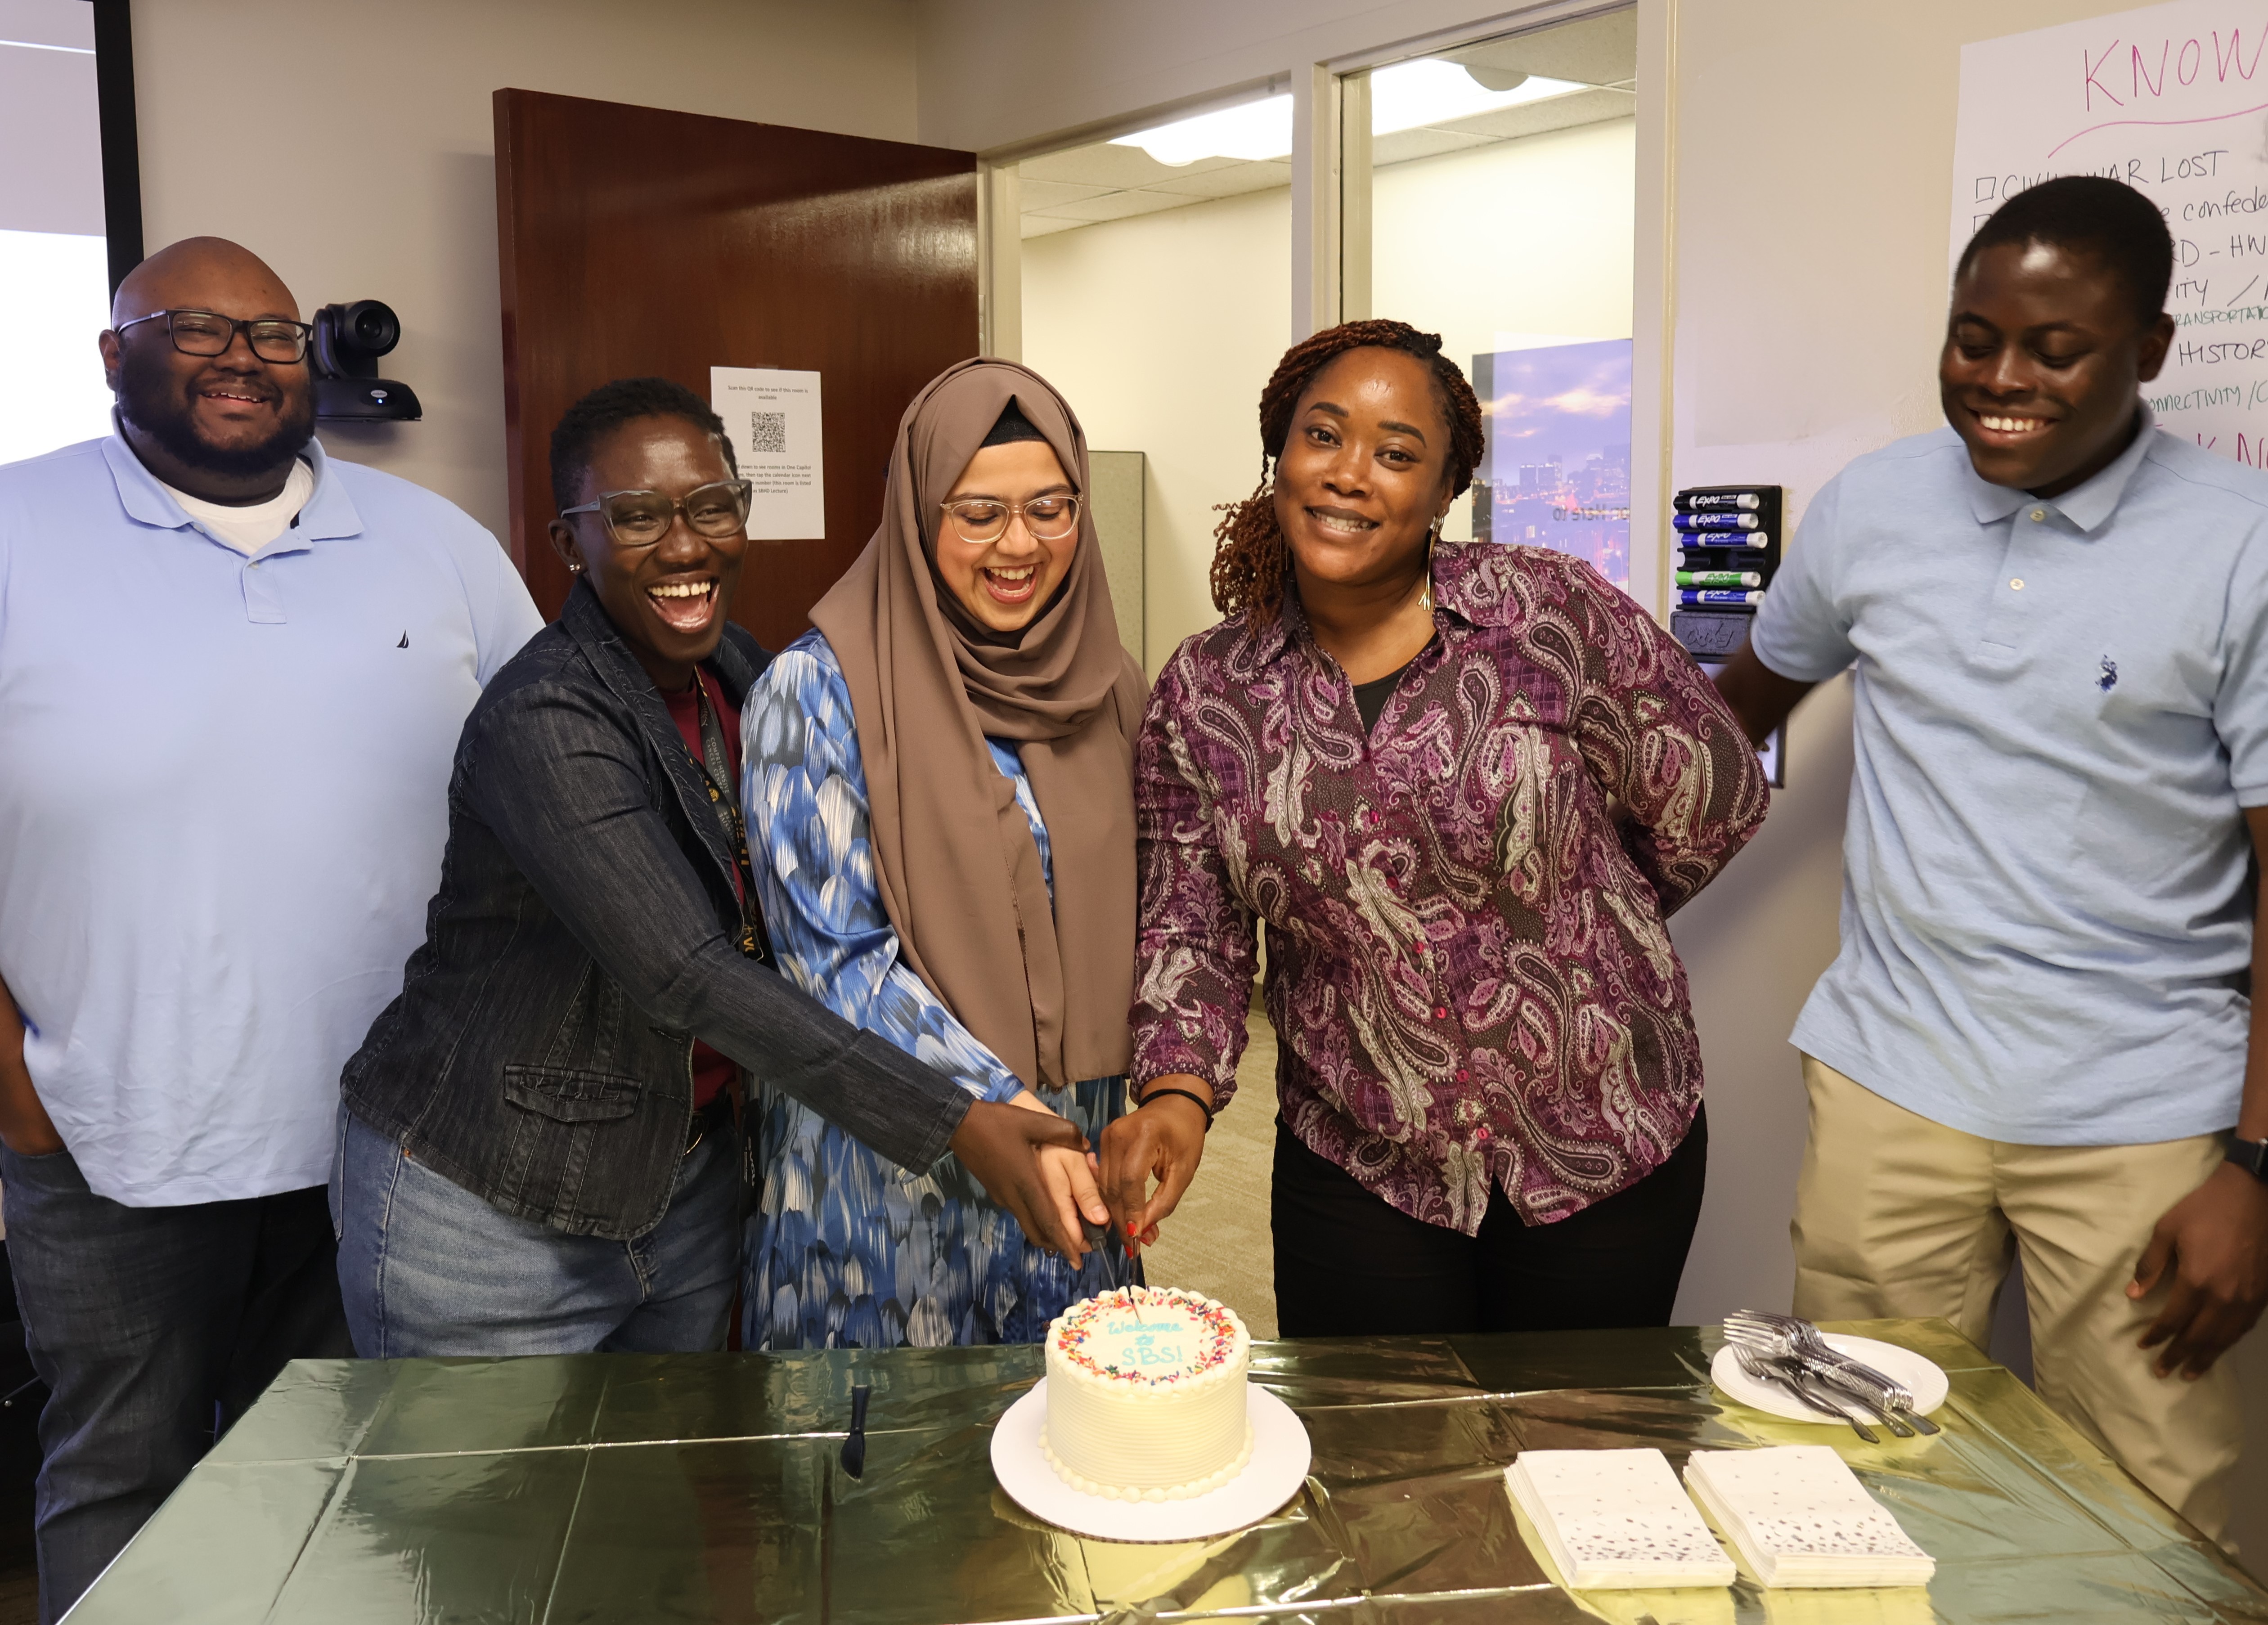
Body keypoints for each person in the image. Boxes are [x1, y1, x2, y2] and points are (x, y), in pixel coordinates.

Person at [1711, 175, 2268, 1544]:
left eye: (2054, 349)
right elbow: (1726, 723)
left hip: (2143, 1115)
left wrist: (2256, 1168)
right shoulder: (1871, 507)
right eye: (1974, 340)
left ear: (2149, 349)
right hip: (1891, 1082)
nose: (2001, 381)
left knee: (2148, 1518)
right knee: (1851, 1478)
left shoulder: (2243, 545)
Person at [0, 236, 543, 1622]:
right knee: (122, 1471)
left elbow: (553, 794)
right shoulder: (16, 528)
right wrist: (13, 1082)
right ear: (114, 354)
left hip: (392, 1134)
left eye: (273, 334)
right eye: (195, 328)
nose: (241, 358)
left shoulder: (437, 543)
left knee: (341, 1475)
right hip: (111, 1135)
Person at [333, 377, 1093, 1357]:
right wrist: (954, 1119)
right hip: (494, 1209)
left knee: (664, 1462)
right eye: (636, 517)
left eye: (712, 506)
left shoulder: (740, 670)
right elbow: (683, 971)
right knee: (491, 1465)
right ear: (570, 543)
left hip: (686, 1190)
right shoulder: (544, 717)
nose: (685, 545)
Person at [1101, 320, 1768, 1337]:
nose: (1349, 473)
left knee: (1576, 1434)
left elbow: (1707, 795)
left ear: (1447, 488)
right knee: (1379, 1438)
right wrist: (1177, 1093)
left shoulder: (1546, 615)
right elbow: (1190, 924)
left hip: (1602, 1142)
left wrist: (1575, 923)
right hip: (1362, 1161)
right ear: (1280, 453)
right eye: (1323, 435)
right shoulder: (1207, 690)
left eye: (1396, 452)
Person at [741, 359, 1146, 1348]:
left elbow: (1163, 912)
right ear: (919, 516)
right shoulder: (816, 692)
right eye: (978, 513)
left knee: (1069, 1428)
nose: (1020, 545)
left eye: (1050, 508)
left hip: (1073, 1174)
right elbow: (832, 961)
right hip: (888, 1180)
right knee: (889, 1442)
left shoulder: (1109, 692)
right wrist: (998, 1107)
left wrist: (1168, 1095)